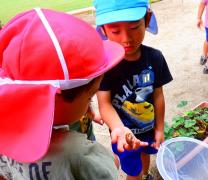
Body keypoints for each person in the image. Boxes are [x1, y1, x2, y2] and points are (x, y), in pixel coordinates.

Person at [0, 8, 125, 180]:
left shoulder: (5, 134)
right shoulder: (79, 153)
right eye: (90, 98)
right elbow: (111, 170)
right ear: (53, 99)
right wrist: (111, 161)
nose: (90, 103)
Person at [93, 0, 173, 179]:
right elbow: (104, 104)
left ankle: (146, 174)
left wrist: (159, 128)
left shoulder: (155, 58)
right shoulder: (105, 66)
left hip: (148, 128)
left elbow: (158, 95)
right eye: (115, 30)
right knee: (132, 173)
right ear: (103, 29)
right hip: (124, 137)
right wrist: (119, 129)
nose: (126, 38)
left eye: (135, 27)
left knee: (146, 156)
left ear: (147, 19)